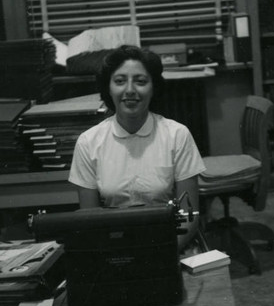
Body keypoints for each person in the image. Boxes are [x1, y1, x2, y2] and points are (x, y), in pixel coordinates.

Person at [68, 45, 205, 250]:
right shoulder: (88, 142)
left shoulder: (177, 135)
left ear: (154, 87)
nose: (130, 90)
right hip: (113, 247)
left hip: (168, 245)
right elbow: (90, 222)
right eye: (120, 81)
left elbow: (189, 216)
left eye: (140, 81)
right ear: (108, 87)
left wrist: (162, 254)